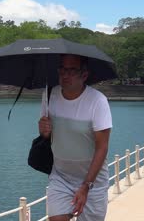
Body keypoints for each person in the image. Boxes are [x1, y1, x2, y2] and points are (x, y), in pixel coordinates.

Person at [38, 54, 112, 221]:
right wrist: (44, 130)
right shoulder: (50, 95)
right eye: (62, 69)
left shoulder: (98, 101)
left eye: (72, 70)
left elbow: (103, 147)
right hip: (61, 176)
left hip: (93, 180)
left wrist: (86, 186)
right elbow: (46, 134)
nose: (65, 75)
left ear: (84, 75)